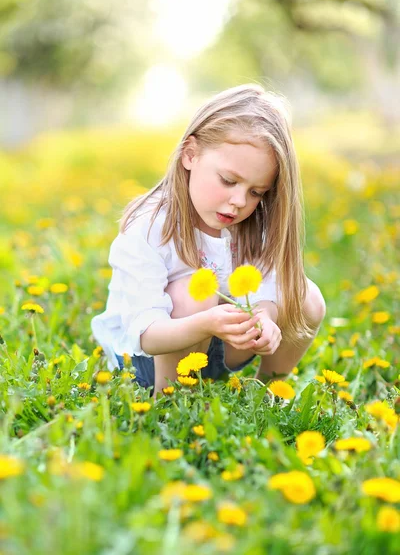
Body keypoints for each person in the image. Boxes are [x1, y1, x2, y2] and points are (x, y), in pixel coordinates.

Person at [91, 84, 326, 397]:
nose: (240, 201)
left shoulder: (252, 221)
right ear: (190, 154)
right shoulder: (149, 226)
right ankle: (168, 404)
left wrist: (265, 318)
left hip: (221, 348)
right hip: (147, 358)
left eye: (257, 192)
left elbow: (269, 286)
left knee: (306, 296)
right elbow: (146, 334)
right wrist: (206, 323)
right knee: (194, 291)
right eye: (229, 181)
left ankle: (264, 392)